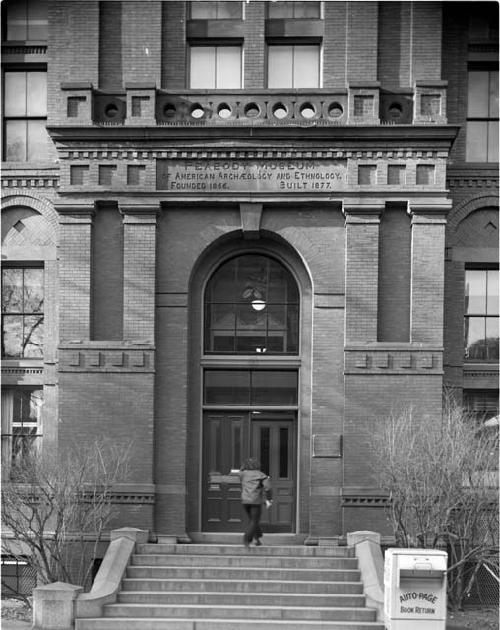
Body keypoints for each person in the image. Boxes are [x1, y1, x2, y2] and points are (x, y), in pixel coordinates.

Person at [238, 457, 273, 548]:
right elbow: (268, 488)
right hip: (255, 501)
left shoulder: (242, 474)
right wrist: (269, 499)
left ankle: (257, 538)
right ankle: (247, 539)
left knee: (252, 520)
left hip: (245, 500)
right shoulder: (261, 475)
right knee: (254, 520)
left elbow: (240, 472)